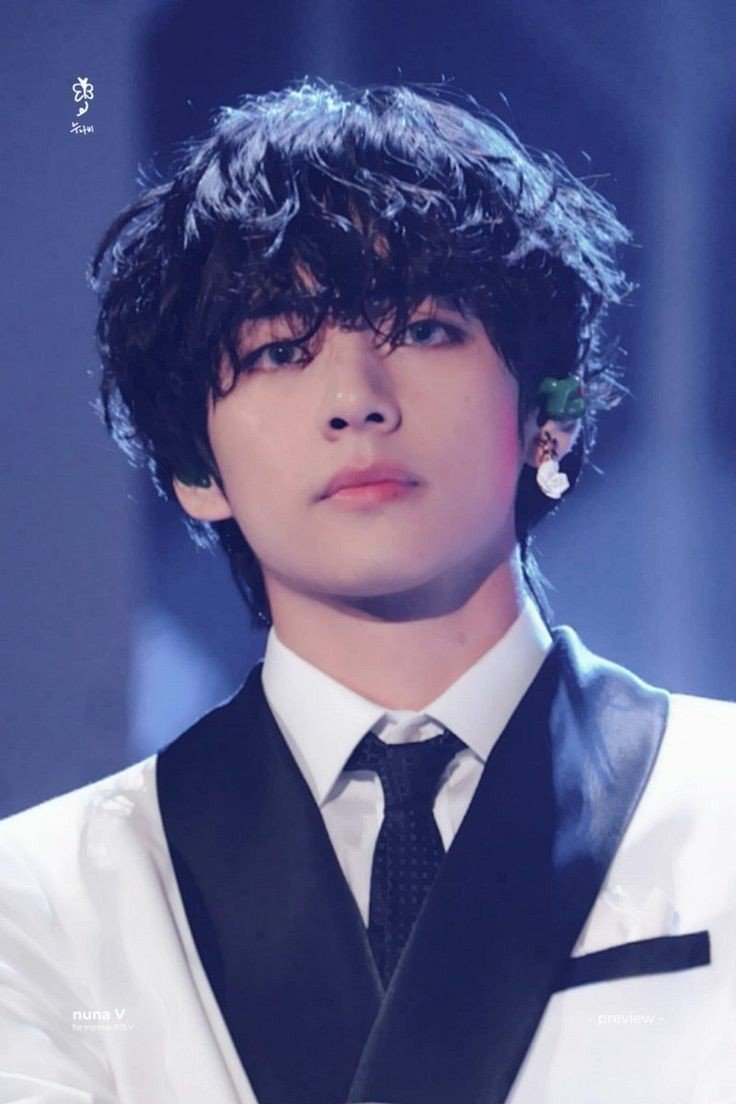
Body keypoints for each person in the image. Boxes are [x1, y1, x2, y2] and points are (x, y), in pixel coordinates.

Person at [0, 79, 734, 1104]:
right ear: (195, 469)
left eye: (423, 330)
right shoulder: (42, 894)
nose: (355, 401)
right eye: (280, 351)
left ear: (549, 417)